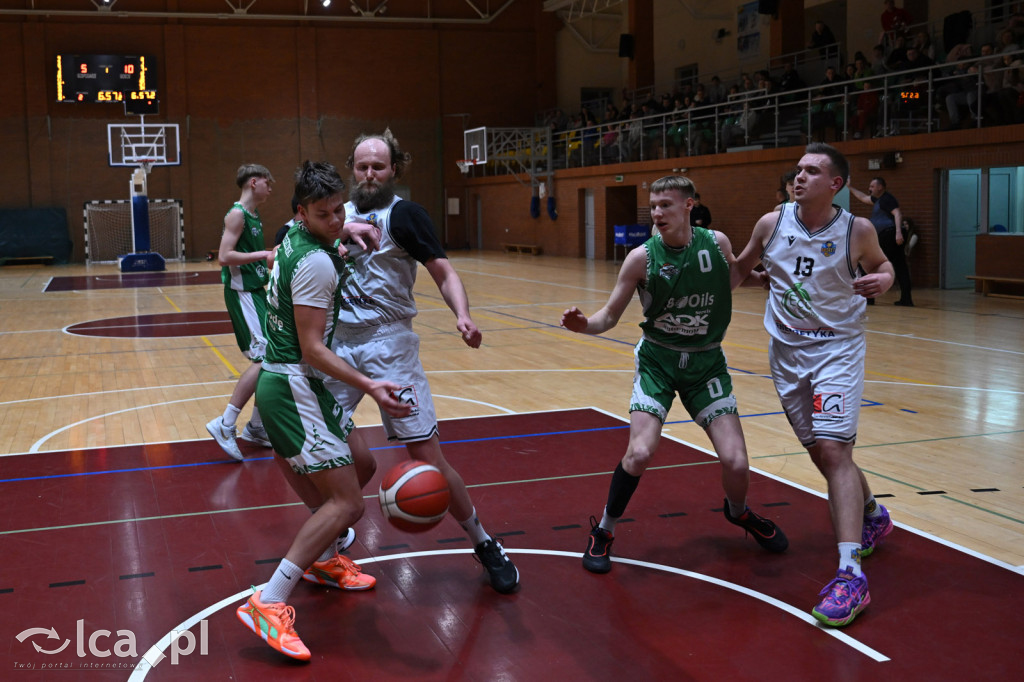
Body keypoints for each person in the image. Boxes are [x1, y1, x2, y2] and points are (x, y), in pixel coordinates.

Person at [561, 175, 788, 576]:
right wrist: (584, 325)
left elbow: (731, 279)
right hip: (659, 362)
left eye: (665, 204)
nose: (657, 212)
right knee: (640, 453)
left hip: (706, 364)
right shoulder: (641, 259)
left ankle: (737, 513)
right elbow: (609, 316)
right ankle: (605, 530)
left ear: (689, 206)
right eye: (653, 206)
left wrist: (762, 280)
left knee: (736, 463)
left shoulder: (715, 244)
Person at [326, 129, 520, 594]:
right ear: (351, 168)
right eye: (361, 166)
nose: (369, 174)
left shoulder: (405, 216)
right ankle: (335, 532)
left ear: (394, 169)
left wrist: (464, 315)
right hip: (338, 345)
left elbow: (443, 271)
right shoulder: (335, 216)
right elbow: (289, 239)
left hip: (390, 346)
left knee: (427, 457)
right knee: (329, 451)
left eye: (378, 166)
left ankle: (484, 541)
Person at [236, 160, 411, 660]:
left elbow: (319, 229)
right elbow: (313, 348)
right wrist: (371, 386)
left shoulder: (293, 234)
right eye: (324, 213)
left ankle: (326, 559)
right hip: (296, 384)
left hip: (295, 384)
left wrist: (346, 228)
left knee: (363, 465)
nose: (335, 220)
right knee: (348, 504)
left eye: (340, 210)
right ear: (302, 212)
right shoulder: (315, 265)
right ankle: (267, 602)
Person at [731, 143, 896, 628]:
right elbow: (740, 269)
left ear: (835, 185)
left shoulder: (856, 230)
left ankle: (851, 577)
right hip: (786, 356)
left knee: (835, 450)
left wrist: (883, 280)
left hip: (836, 353)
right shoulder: (771, 222)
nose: (799, 177)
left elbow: (883, 266)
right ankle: (872, 514)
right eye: (798, 170)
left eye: (812, 171)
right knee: (822, 454)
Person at [206, 164, 276, 461]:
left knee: (274, 358)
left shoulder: (254, 216)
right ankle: (225, 424)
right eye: (268, 184)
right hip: (242, 294)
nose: (270, 189)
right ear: (254, 182)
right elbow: (224, 256)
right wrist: (263, 255)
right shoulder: (237, 214)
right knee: (264, 358)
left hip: (256, 291)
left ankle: (257, 428)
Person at [849, 177, 913, 305]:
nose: (869, 189)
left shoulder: (887, 199)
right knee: (900, 267)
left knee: (870, 263)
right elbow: (863, 198)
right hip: (887, 235)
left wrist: (898, 233)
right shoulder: (879, 200)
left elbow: (898, 213)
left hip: (890, 235)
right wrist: (850, 187)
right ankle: (906, 299)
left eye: (872, 186)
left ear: (880, 187)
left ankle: (869, 298)